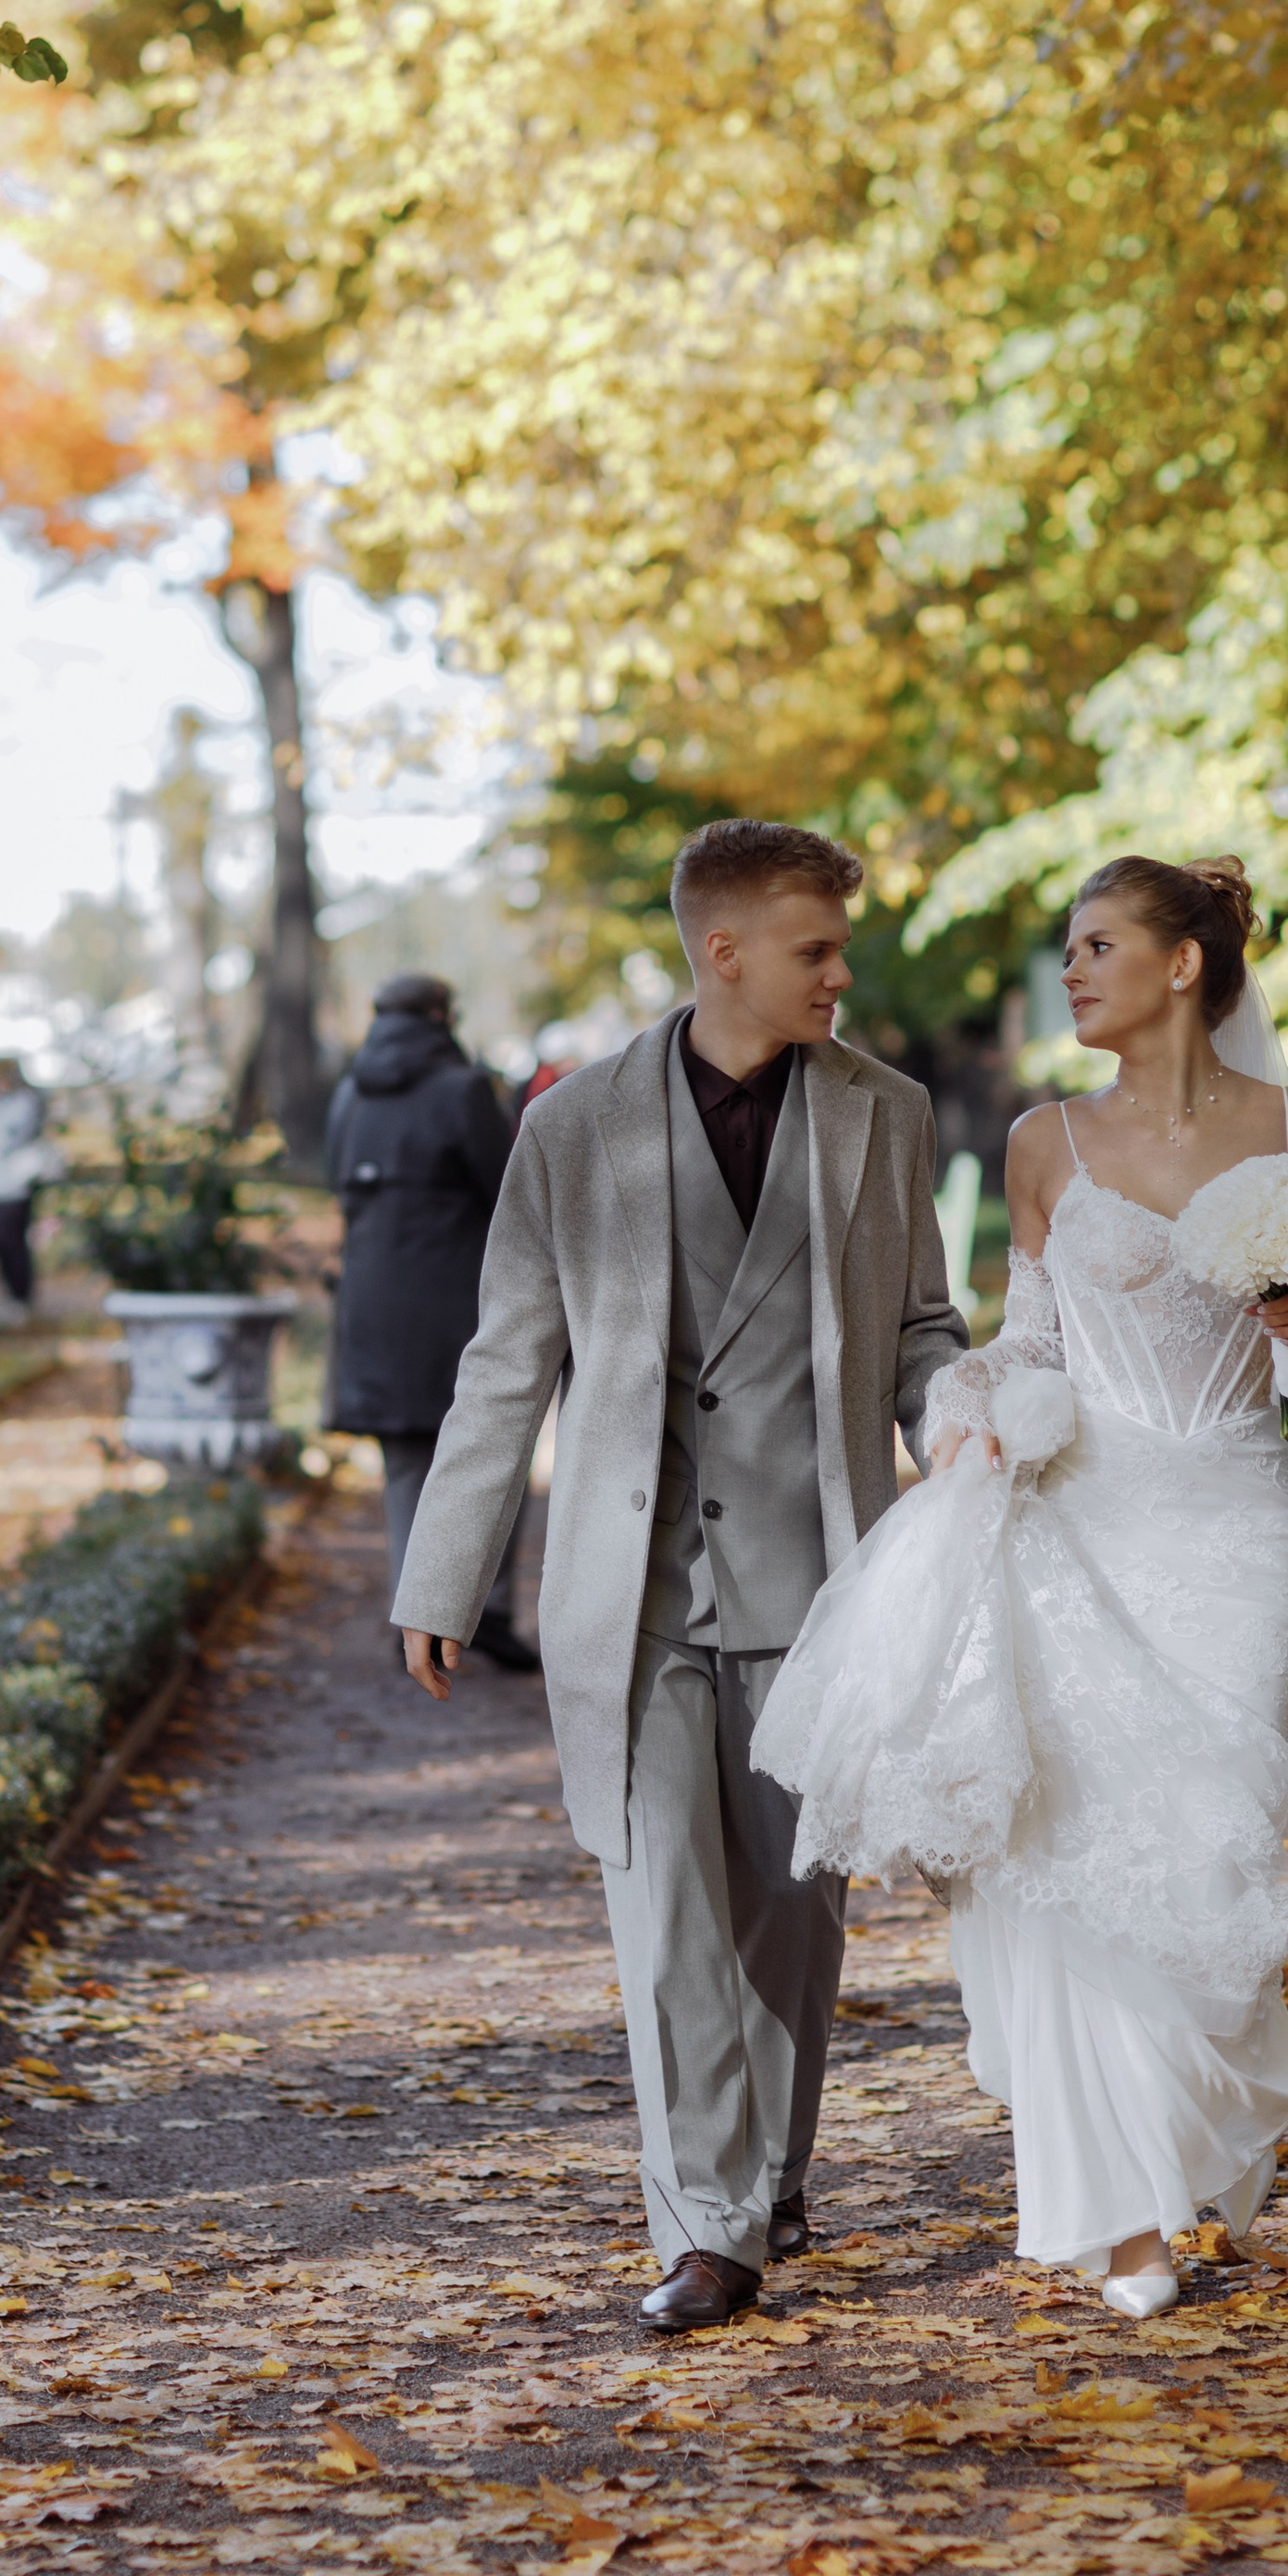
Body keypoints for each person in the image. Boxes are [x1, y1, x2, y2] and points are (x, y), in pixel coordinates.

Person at [754, 855, 1288, 2326]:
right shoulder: (1044, 1140)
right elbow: (1026, 1339)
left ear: (1183, 964)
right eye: (1067, 948)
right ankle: (1117, 2221)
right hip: (1080, 1521)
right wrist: (978, 1404)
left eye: (1099, 943)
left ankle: (1175, 2139)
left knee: (1215, 1837)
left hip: (1236, 1525)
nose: (1072, 969)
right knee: (1064, 1849)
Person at [392, 819, 968, 2335]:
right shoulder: (573, 1130)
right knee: (665, 1915)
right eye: (817, 950)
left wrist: (957, 1420)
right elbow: (508, 1360)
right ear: (726, 954)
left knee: (791, 1914)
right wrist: (446, 1571)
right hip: (627, 1591)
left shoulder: (886, 1116)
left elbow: (921, 1326)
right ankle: (708, 2222)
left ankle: (768, 2173)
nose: (843, 973)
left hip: (823, 1588)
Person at [325, 975, 531, 1671]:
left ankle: (411, 1612)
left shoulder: (350, 1092)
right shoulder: (463, 1089)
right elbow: (507, 1190)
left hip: (372, 1300)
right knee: (489, 1450)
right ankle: (487, 1611)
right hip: (452, 1298)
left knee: (405, 1463)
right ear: (443, 1014)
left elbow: (335, 1181)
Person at [0, 1056, 57, 1318]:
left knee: (11, 1243)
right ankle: (11, 1297)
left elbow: (4, 1139)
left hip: (13, 1185)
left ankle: (21, 1298)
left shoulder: (24, 1104)